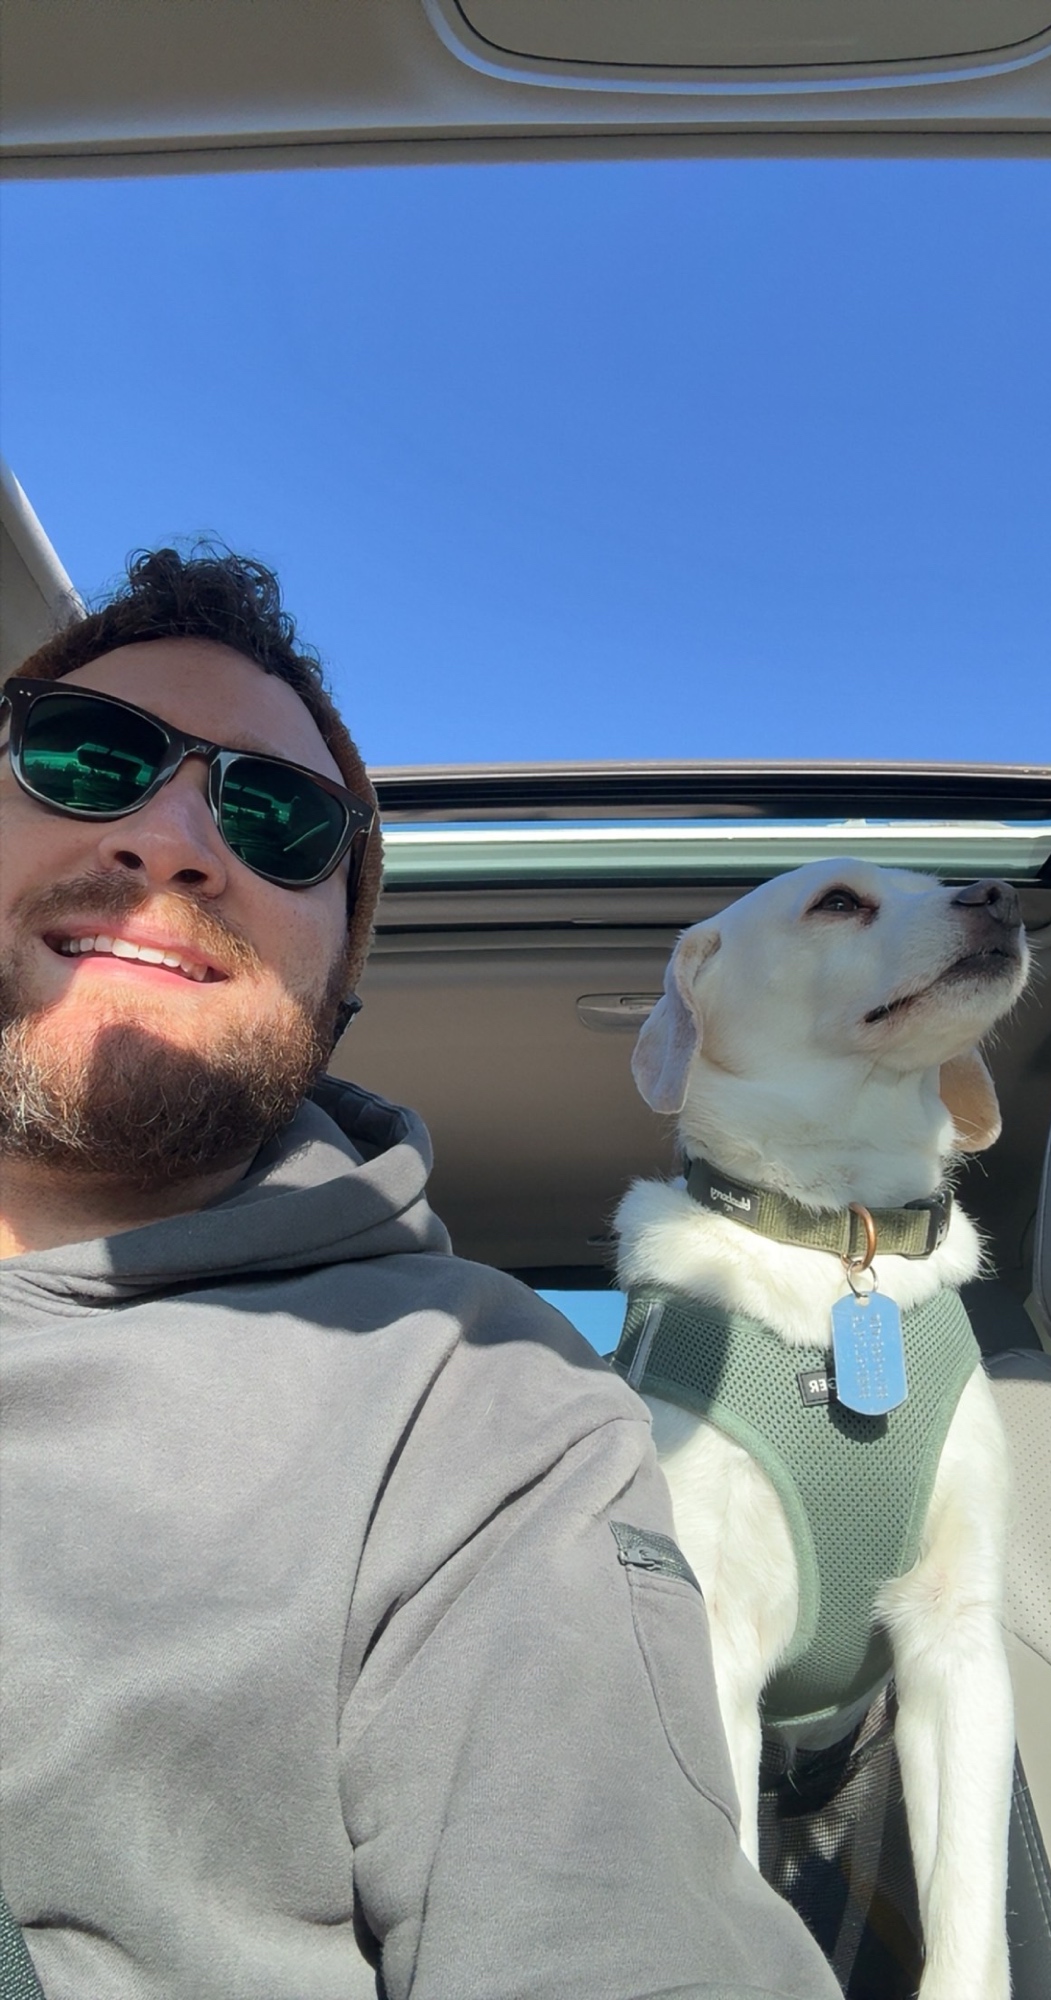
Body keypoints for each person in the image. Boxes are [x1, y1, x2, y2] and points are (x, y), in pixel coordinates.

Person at [0, 548, 841, 2000]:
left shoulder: (483, 1408)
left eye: (276, 817)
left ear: (341, 989)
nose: (172, 836)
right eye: (84, 758)